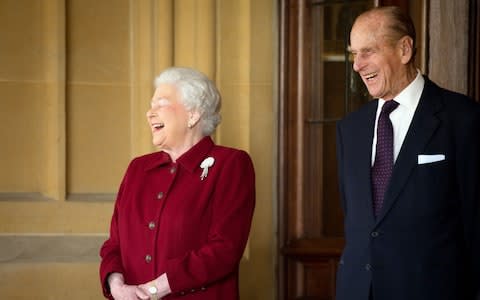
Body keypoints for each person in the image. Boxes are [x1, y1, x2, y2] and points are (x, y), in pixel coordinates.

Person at [335, 6, 480, 300]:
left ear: (404, 49)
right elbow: (358, 220)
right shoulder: (349, 129)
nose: (357, 65)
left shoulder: (463, 119)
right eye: (354, 54)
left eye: (368, 51)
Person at [99, 67, 256, 300]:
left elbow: (225, 249)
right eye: (150, 105)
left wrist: (152, 290)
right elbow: (114, 244)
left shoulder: (230, 164)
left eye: (160, 104)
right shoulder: (138, 169)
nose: (149, 113)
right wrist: (117, 286)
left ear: (193, 114)